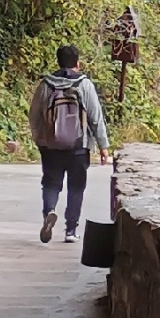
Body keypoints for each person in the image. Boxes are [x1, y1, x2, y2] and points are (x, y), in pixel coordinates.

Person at [29, 42, 109, 244]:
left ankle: (50, 211)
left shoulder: (46, 84)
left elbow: (34, 114)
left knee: (51, 183)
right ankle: (71, 230)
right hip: (78, 147)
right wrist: (103, 146)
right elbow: (95, 117)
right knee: (76, 188)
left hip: (51, 146)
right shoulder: (84, 84)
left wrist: (39, 137)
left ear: (58, 61)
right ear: (78, 63)